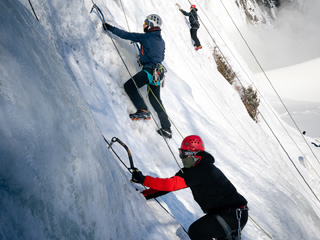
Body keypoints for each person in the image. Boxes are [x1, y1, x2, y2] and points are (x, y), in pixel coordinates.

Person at [131, 135, 248, 240]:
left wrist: (143, 179)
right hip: (226, 214)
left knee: (197, 231)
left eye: (183, 154)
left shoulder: (203, 169)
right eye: (180, 153)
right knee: (200, 231)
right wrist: (143, 195)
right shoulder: (192, 169)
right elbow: (170, 185)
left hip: (233, 215)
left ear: (193, 154)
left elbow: (170, 185)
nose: (181, 157)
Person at [102, 14, 172, 138]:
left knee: (129, 86)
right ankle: (166, 128)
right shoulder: (161, 41)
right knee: (155, 100)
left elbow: (126, 35)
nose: (144, 25)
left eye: (146, 23)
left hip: (149, 71)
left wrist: (110, 28)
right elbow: (160, 57)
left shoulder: (146, 37)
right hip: (158, 73)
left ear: (151, 25)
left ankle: (143, 110)